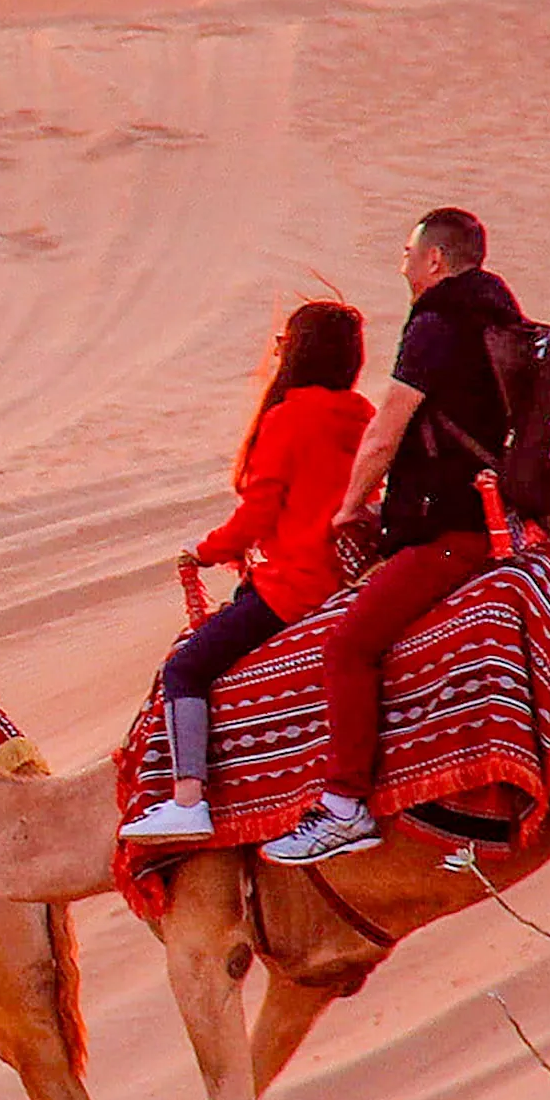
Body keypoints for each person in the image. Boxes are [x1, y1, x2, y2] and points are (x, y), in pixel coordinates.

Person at [263, 208, 522, 865]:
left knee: (348, 647)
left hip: (452, 532)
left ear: (435, 260)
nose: (403, 265)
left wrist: (350, 506)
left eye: (409, 253)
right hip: (500, 518)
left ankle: (345, 806)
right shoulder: (501, 321)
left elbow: (387, 430)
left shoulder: (437, 323)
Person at [119, 300, 374, 841]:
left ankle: (188, 800)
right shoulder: (363, 415)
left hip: (294, 585)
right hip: (342, 580)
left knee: (185, 669)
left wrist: (204, 550)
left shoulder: (289, 419)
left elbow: (258, 514)